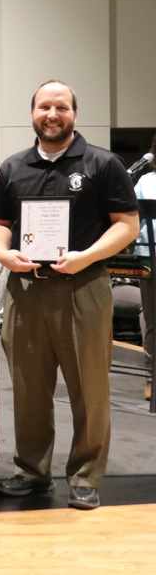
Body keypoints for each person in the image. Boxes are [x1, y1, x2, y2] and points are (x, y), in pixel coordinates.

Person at [0, 80, 139, 510]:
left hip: (83, 287)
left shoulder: (102, 163)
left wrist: (87, 256)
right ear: (32, 113)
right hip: (26, 290)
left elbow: (127, 223)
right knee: (30, 389)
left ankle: (86, 475)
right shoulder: (13, 167)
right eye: (44, 107)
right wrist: (4, 253)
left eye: (61, 107)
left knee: (89, 389)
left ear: (74, 113)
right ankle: (32, 472)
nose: (52, 114)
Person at [133, 134, 156, 402]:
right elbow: (133, 223)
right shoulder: (145, 181)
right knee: (153, 320)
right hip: (150, 258)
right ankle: (152, 377)